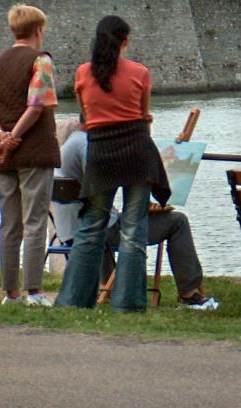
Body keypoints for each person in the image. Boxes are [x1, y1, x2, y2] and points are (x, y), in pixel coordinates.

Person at [55, 15, 170, 312]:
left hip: (101, 154)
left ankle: (73, 301)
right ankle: (129, 303)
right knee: (134, 229)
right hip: (136, 153)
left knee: (92, 225)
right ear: (124, 41)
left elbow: (87, 118)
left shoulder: (82, 73)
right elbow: (144, 117)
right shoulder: (140, 72)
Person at [53, 118, 215, 309]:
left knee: (117, 219)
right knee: (177, 221)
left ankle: (109, 288)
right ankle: (188, 293)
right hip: (96, 229)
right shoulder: (86, 145)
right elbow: (101, 184)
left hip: (68, 230)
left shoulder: (71, 143)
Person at [0, 4, 60, 307]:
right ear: (38, 30)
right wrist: (16, 136)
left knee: (9, 224)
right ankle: (35, 292)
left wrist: (1, 136)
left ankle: (10, 293)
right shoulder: (40, 61)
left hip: (2, 156)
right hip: (34, 151)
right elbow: (37, 104)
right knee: (35, 221)